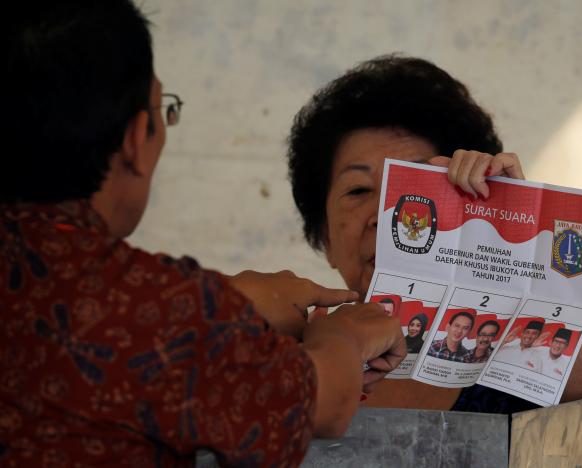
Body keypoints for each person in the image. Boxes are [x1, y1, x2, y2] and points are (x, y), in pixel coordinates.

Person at [0, 3, 405, 466]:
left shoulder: (165, 308)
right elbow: (323, 401)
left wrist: (232, 301)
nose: (383, 216)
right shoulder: (167, 311)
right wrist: (343, 337)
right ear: (137, 138)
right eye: (357, 190)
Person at [287, 54, 582, 412]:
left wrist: (522, 250)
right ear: (324, 238)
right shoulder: (282, 365)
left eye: (413, 184)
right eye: (358, 190)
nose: (387, 215)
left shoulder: (520, 348)